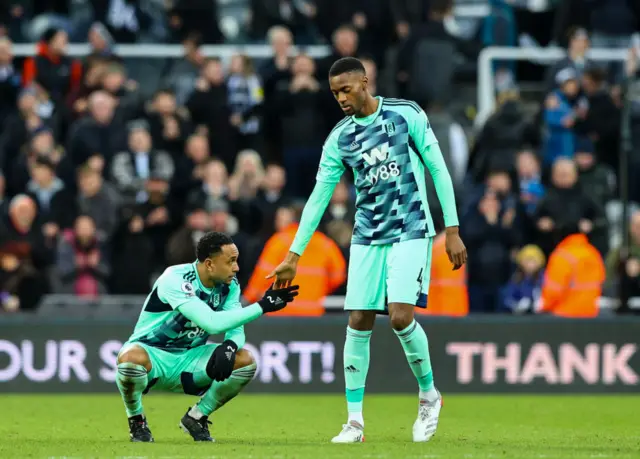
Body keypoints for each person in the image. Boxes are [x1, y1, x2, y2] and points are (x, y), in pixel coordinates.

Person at [267, 57, 467, 443]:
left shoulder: (405, 115)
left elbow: (438, 169)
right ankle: (354, 422)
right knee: (358, 320)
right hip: (367, 235)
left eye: (346, 89)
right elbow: (318, 199)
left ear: (365, 82)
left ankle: (429, 395)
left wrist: (453, 229)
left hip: (411, 228)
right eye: (334, 92)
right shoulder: (339, 138)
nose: (341, 98)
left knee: (398, 316)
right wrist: (294, 255)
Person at [115, 232, 299, 443]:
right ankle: (136, 420)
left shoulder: (229, 285)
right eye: (231, 261)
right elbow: (210, 322)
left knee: (245, 361)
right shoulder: (175, 279)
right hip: (152, 356)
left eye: (236, 261)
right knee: (130, 360)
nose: (236, 267)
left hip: (190, 358)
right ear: (210, 264)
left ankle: (197, 416)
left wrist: (230, 345)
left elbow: (235, 326)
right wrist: (263, 305)